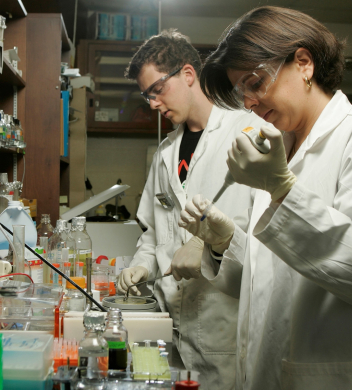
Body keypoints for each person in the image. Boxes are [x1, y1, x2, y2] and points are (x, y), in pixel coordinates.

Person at [179, 6, 352, 390]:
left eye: (255, 82)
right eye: (240, 92)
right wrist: (225, 244)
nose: (248, 101)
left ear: (303, 63)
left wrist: (284, 191)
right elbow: (266, 284)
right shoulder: (277, 147)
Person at [118, 29, 268, 388]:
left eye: (157, 90)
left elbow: (270, 240)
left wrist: (207, 246)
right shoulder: (165, 154)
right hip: (171, 329)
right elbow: (154, 234)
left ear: (188, 74)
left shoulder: (249, 132)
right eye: (146, 95)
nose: (152, 103)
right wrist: (141, 266)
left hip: (224, 332)